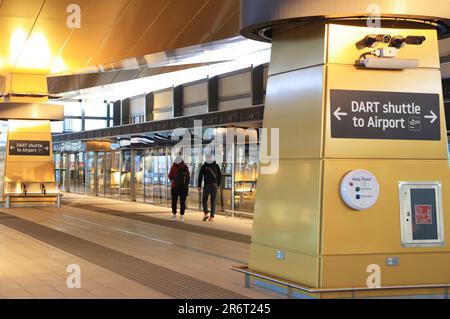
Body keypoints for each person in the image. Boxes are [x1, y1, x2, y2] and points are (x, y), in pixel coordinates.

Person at [198, 154, 221, 222]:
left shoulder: (204, 166)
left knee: (204, 199)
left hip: (207, 185)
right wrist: (218, 185)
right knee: (213, 201)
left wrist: (199, 185)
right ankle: (212, 217)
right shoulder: (216, 166)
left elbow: (200, 176)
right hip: (214, 185)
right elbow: (219, 176)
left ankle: (206, 213)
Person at [168, 156, 190, 222]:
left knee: (174, 201)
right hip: (184, 188)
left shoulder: (174, 167)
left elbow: (170, 176)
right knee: (182, 202)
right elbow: (188, 177)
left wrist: (173, 180)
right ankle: (182, 217)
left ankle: (174, 216)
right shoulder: (186, 167)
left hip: (175, 187)